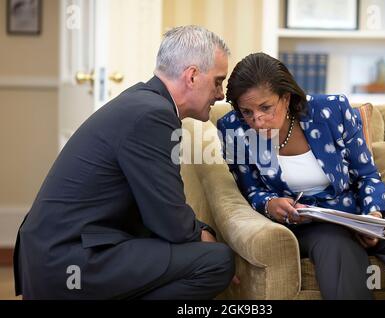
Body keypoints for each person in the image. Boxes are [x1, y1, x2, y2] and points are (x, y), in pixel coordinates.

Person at [14, 25, 236, 300]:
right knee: (216, 261)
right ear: (192, 76)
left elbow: (158, 210)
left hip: (60, 252)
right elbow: (170, 222)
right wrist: (204, 235)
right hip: (69, 259)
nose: (221, 93)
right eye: (218, 81)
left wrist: (199, 230)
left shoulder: (142, 102)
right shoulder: (153, 116)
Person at [217, 52, 385, 300]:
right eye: (247, 111)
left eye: (265, 107)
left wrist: (371, 217)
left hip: (357, 211)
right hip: (307, 224)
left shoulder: (331, 110)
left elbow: (367, 175)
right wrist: (269, 204)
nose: (257, 120)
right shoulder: (234, 129)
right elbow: (251, 190)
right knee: (337, 245)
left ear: (285, 99)